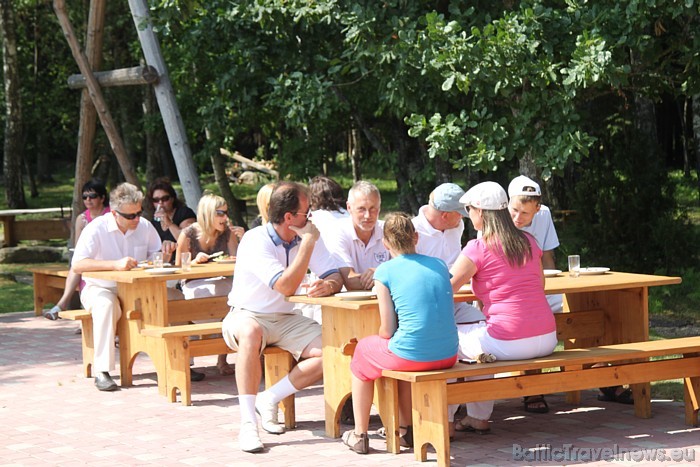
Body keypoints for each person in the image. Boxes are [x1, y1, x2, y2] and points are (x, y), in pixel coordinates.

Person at [221, 181, 343, 453]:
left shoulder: (306, 236)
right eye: (306, 213)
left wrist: (330, 285)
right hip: (245, 314)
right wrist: (309, 241)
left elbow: (334, 274)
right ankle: (248, 423)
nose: (310, 218)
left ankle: (269, 398)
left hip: (287, 318)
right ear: (289, 218)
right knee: (251, 333)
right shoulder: (255, 240)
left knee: (335, 350)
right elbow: (285, 286)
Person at [342, 212, 458, 455]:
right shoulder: (439, 264)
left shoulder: (385, 271)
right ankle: (406, 430)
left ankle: (360, 433)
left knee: (362, 352)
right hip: (448, 353)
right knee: (405, 357)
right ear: (416, 237)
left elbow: (386, 330)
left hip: (414, 354)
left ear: (385, 243)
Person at [450, 181, 557, 434]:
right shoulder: (529, 241)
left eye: (469, 209)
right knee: (478, 348)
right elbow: (539, 284)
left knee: (450, 342)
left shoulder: (477, 247)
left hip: (510, 341)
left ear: (481, 212)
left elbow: (446, 287)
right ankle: (477, 417)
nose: (468, 214)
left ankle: (444, 420)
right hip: (548, 337)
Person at [71, 183, 163, 392]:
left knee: (172, 298)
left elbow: (156, 254)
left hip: (138, 289)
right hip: (100, 288)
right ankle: (102, 371)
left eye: (139, 213)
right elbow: (78, 264)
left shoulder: (145, 226)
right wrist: (114, 264)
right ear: (114, 213)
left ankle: (177, 362)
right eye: (130, 216)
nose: (136, 219)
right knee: (106, 305)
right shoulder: (96, 228)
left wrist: (161, 255)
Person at [411, 183, 487, 431]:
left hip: (455, 302)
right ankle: (444, 419)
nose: (464, 218)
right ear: (445, 215)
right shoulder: (412, 231)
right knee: (446, 343)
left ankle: (479, 415)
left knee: (485, 333)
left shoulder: (457, 225)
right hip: (425, 308)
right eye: (461, 213)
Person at [507, 175, 563, 413]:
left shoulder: (545, 215)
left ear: (537, 209)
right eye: (514, 211)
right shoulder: (496, 215)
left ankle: (596, 376)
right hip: (509, 290)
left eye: (525, 214)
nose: (518, 218)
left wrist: (552, 290)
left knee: (573, 314)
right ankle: (531, 388)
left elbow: (548, 255)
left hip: (536, 284)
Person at [175, 193, 245, 376]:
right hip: (194, 282)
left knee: (236, 296)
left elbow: (235, 260)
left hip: (222, 279)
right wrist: (194, 261)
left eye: (226, 213)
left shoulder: (227, 233)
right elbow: (179, 267)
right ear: (207, 213)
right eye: (220, 213)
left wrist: (243, 240)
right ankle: (195, 352)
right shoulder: (188, 234)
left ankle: (222, 359)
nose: (225, 218)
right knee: (218, 296)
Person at [43, 179, 110, 320]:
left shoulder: (110, 215)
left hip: (108, 257)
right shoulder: (82, 219)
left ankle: (63, 306)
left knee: (78, 268)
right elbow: (79, 247)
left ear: (102, 198)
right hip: (89, 260)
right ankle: (63, 305)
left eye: (92, 196)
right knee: (77, 267)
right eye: (85, 197)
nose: (88, 200)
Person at [326, 181, 389, 290]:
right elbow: (350, 281)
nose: (367, 215)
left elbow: (405, 273)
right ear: (349, 207)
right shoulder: (337, 232)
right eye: (361, 209)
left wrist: (379, 273)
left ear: (379, 208)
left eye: (373, 208)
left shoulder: (388, 231)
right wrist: (384, 276)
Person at [146, 177, 196, 260]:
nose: (160, 203)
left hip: (185, 261)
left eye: (165, 199)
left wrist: (169, 223)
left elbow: (188, 240)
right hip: (166, 263)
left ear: (172, 199)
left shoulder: (184, 213)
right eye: (156, 200)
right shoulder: (154, 222)